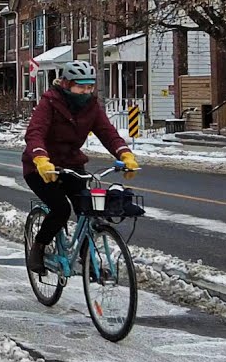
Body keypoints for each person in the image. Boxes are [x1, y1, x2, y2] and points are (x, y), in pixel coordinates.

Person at [22, 60, 140, 274]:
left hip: (72, 165)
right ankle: (38, 248)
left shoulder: (91, 106)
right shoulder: (50, 103)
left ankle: (88, 261)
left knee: (88, 209)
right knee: (61, 209)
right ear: (67, 84)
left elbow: (108, 133)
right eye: (81, 86)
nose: (86, 91)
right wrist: (41, 159)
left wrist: (125, 154)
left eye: (90, 86)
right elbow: (35, 133)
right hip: (41, 167)